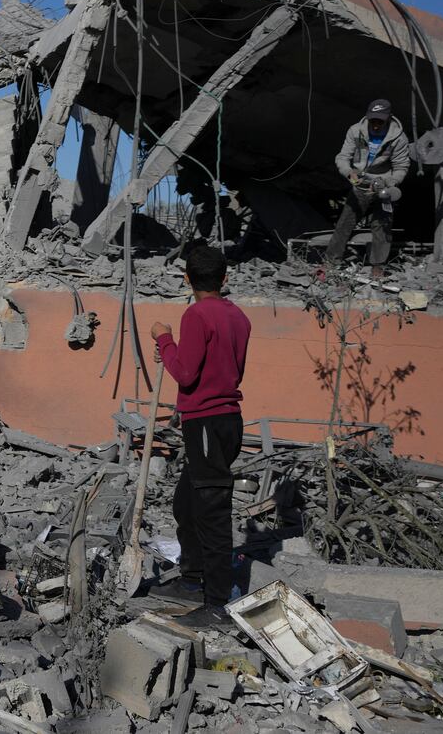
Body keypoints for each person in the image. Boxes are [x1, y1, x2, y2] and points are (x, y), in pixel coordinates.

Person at [149, 244, 250, 628]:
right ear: (224, 279)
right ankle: (190, 581)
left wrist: (164, 339)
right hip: (223, 420)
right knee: (186, 503)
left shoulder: (196, 315)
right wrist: (173, 351)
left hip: (207, 422)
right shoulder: (237, 316)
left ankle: (217, 603)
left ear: (187, 278)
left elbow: (186, 374)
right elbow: (208, 366)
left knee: (211, 514)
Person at [324, 98, 410, 278]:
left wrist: (389, 183)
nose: (376, 125)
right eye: (373, 121)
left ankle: (378, 267)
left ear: (389, 118)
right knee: (345, 222)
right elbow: (342, 157)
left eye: (380, 121)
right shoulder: (355, 131)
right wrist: (349, 172)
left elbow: (401, 167)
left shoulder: (398, 138)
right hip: (360, 184)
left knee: (382, 226)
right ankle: (331, 262)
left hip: (382, 185)